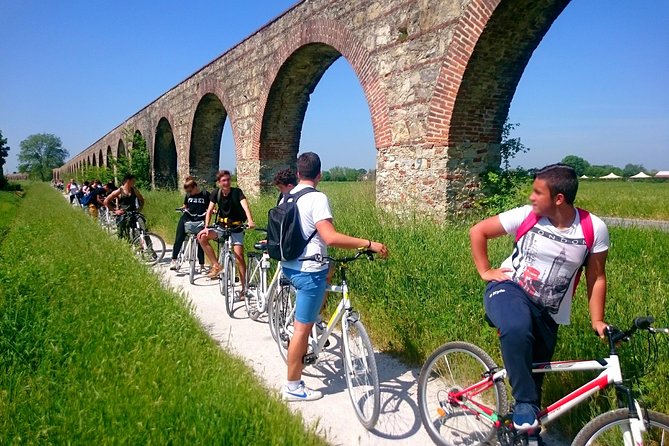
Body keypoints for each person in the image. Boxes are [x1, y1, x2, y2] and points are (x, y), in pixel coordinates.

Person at [469, 163, 609, 439]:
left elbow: (597, 277)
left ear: (558, 198)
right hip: (509, 289)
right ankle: (522, 404)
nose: (531, 197)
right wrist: (485, 271)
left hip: (549, 311)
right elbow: (478, 231)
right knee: (517, 328)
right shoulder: (526, 215)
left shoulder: (593, 228)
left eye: (537, 192)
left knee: (535, 377)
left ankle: (524, 432)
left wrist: (597, 320)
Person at [280, 152, 388, 402]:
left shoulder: (289, 195)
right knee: (301, 330)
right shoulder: (317, 198)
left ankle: (315, 317)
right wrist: (368, 243)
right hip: (308, 273)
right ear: (319, 175)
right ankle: (293, 386)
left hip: (290, 266)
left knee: (328, 271)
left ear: (298, 174)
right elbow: (330, 237)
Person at [197, 170, 255, 291]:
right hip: (221, 227)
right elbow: (209, 211)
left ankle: (244, 288)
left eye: (228, 180)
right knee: (202, 237)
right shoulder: (216, 193)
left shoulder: (237, 192)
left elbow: (245, 206)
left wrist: (250, 220)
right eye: (224, 180)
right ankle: (216, 265)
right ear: (219, 182)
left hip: (236, 227)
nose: (227, 182)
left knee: (239, 256)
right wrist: (206, 227)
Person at [170, 177, 209, 271]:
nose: (189, 193)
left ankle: (202, 264)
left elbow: (211, 206)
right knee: (179, 238)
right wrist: (182, 208)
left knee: (201, 241)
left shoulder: (205, 194)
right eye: (188, 191)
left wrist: (212, 210)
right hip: (187, 218)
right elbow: (185, 205)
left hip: (200, 219)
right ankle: (174, 260)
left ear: (195, 187)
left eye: (190, 191)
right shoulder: (188, 195)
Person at [104, 174, 145, 240]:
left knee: (142, 225)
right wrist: (115, 210)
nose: (134, 183)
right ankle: (126, 244)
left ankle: (149, 247)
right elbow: (106, 201)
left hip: (133, 212)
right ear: (128, 181)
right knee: (122, 231)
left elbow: (142, 199)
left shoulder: (134, 190)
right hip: (123, 213)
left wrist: (140, 208)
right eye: (133, 181)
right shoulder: (119, 191)